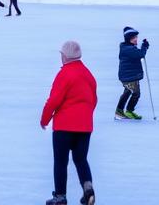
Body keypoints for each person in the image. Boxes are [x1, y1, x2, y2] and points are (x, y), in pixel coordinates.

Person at [40, 40, 96, 205]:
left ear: (65, 56)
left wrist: (45, 119)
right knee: (81, 159)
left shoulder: (64, 74)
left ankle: (60, 197)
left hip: (64, 127)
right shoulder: (88, 74)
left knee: (60, 161)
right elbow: (93, 99)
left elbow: (54, 100)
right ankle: (88, 189)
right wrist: (85, 116)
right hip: (84, 126)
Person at [115, 27, 149, 120]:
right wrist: (144, 47)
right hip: (128, 76)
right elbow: (140, 54)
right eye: (133, 38)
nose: (136, 39)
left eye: (136, 37)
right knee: (135, 93)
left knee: (129, 92)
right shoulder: (128, 49)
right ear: (128, 39)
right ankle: (127, 111)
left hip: (130, 76)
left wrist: (144, 47)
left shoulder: (128, 47)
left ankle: (121, 111)